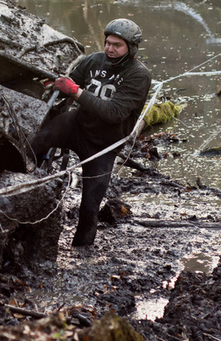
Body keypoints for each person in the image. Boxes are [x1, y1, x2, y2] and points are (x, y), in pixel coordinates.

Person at [30, 18, 151, 247]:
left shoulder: (139, 75)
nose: (110, 49)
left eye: (117, 45)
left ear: (131, 48)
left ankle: (82, 253)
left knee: (89, 206)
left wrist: (76, 92)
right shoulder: (94, 60)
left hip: (104, 143)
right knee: (36, 141)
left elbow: (114, 112)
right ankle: (26, 181)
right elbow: (70, 84)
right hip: (78, 124)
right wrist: (50, 85)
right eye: (108, 43)